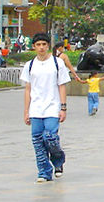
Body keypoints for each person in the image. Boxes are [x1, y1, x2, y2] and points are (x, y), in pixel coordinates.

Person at [19, 34, 69, 183]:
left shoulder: (57, 63)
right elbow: (28, 89)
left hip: (52, 107)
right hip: (36, 108)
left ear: (48, 46)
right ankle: (44, 172)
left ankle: (58, 160)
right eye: (38, 45)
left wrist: (63, 107)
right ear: (34, 47)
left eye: (44, 44)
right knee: (38, 140)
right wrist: (26, 111)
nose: (41, 47)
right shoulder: (29, 65)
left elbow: (62, 85)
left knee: (50, 136)